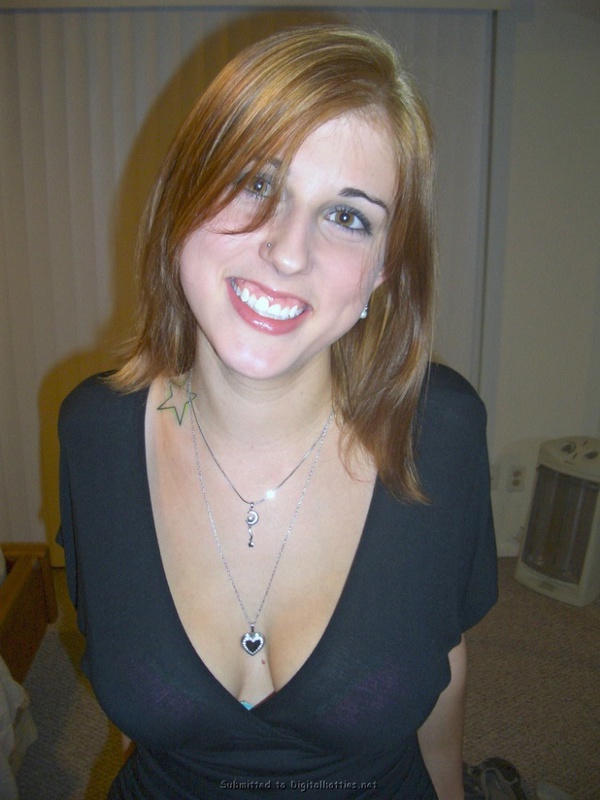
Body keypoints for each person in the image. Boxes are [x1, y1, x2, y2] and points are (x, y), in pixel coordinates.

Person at [57, 23, 497, 800]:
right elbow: (133, 701)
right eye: (256, 182)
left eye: (348, 216)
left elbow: (444, 663)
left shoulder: (441, 433)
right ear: (183, 198)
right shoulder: (94, 431)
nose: (288, 252)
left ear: (382, 272)